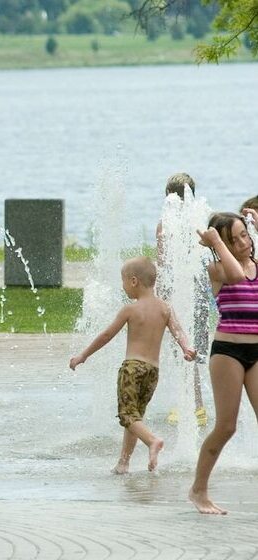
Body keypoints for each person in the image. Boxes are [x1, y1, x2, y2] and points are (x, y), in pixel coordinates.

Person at [70, 256, 196, 474]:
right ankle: (124, 463)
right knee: (135, 416)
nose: (123, 286)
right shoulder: (165, 308)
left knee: (127, 416)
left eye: (123, 281)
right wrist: (186, 348)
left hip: (132, 368)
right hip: (152, 372)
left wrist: (83, 355)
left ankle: (152, 441)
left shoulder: (130, 309)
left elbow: (107, 335)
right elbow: (178, 331)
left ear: (134, 281)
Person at [190, 212, 258, 514]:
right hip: (228, 353)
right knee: (226, 426)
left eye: (246, 234)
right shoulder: (217, 269)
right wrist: (217, 242)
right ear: (222, 244)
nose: (244, 242)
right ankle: (198, 490)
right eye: (236, 238)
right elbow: (236, 276)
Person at [155, 172, 208, 427]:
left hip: (178, 293)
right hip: (196, 292)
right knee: (192, 347)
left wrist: (161, 296)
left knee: (184, 348)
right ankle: (194, 403)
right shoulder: (199, 222)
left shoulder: (165, 225)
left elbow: (163, 263)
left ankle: (193, 404)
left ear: (168, 196)